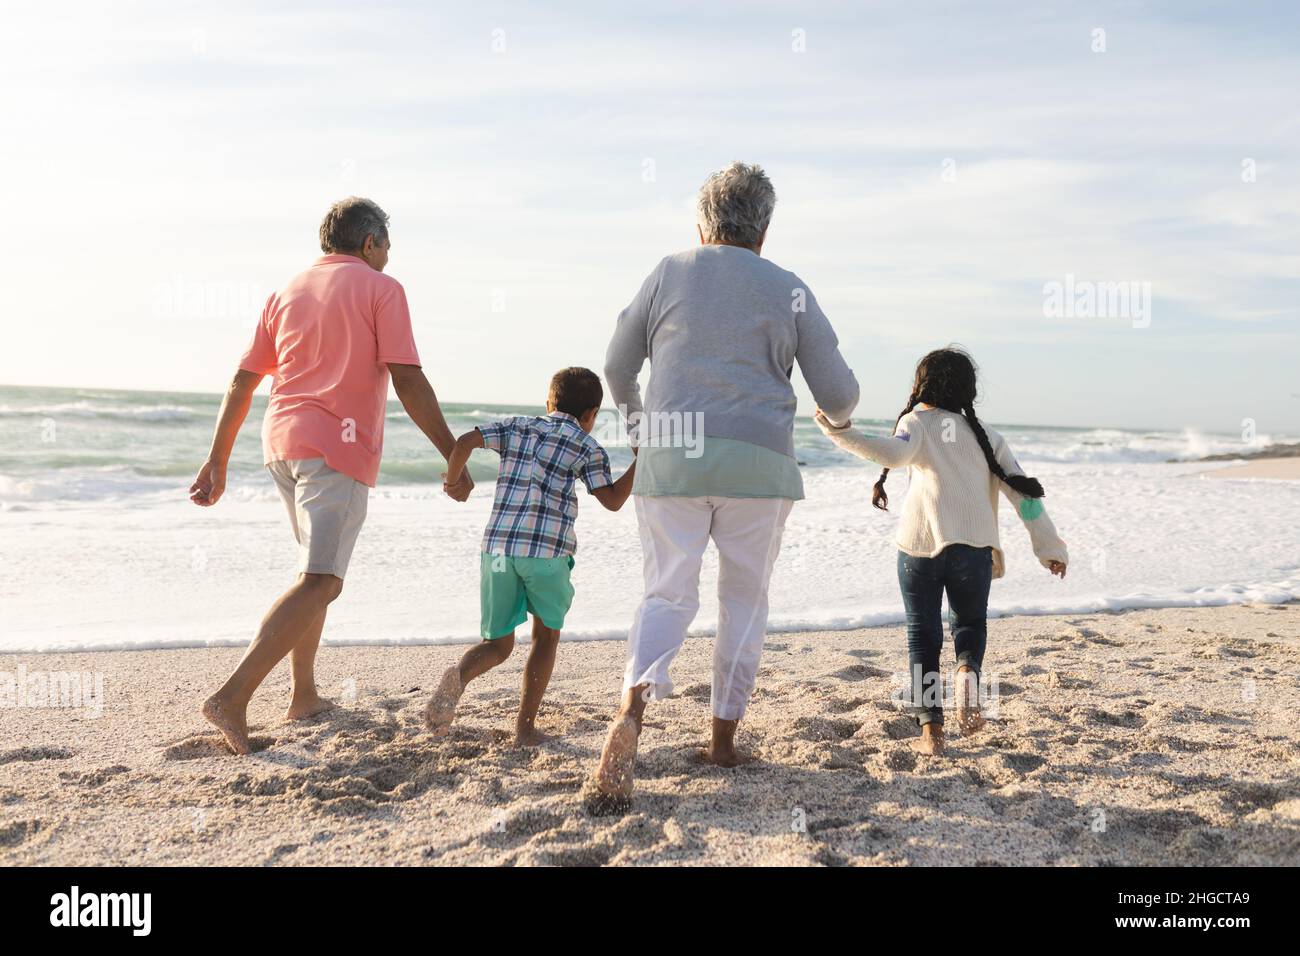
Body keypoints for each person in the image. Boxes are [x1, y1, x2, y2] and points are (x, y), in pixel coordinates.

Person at [586, 162, 860, 813]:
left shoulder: (668, 272)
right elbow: (839, 394)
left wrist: (640, 431)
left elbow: (617, 366)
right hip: (758, 465)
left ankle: (630, 712)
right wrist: (836, 418)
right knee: (744, 600)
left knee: (666, 591)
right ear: (763, 231)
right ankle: (721, 743)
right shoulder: (789, 287)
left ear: (702, 225)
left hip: (672, 457)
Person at [189, 196, 471, 755]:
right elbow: (408, 379)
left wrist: (217, 459)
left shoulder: (286, 291)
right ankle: (232, 696)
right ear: (369, 242)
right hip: (335, 450)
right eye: (386, 245)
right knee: (323, 581)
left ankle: (304, 695)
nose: (388, 256)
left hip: (281, 444)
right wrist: (452, 454)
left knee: (313, 574)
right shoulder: (381, 288)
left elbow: (243, 381)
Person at [815, 346, 1068, 756]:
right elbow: (1025, 496)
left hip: (919, 548)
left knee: (922, 636)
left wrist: (839, 431)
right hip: (974, 549)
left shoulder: (916, 423)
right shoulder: (988, 438)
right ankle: (967, 672)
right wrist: (1049, 547)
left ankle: (932, 733)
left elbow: (893, 454)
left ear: (922, 385)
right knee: (969, 625)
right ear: (969, 389)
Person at [425, 368, 636, 745]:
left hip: (498, 551)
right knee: (545, 637)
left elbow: (464, 442)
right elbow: (613, 500)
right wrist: (643, 459)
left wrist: (453, 482)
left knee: (497, 645)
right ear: (591, 414)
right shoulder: (587, 446)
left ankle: (457, 679)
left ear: (548, 403)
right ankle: (524, 728)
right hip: (546, 554)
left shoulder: (515, 426)